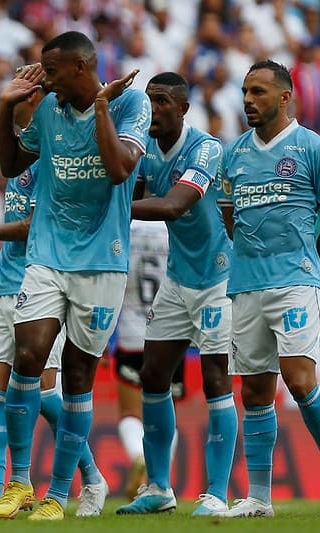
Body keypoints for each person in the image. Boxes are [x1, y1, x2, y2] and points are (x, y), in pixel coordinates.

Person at [0, 31, 150, 521]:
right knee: (29, 354)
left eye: (53, 71)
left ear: (81, 67)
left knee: (79, 376)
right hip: (48, 253)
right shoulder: (48, 110)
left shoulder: (131, 104)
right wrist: (4, 109)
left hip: (103, 261)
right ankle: (19, 482)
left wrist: (102, 104)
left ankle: (60, 494)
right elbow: (11, 163)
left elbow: (120, 169)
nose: (47, 81)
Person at [0, 84, 107, 519]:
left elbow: (37, 225)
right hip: (3, 287)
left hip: (42, 287)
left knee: (45, 395)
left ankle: (90, 476)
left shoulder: (57, 158)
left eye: (24, 98)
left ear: (45, 102)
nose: (17, 107)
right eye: (12, 100)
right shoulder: (17, 162)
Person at [217, 60, 320, 518]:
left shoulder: (314, 149)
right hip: (247, 284)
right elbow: (230, 217)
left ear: (284, 97)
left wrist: (308, 263)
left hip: (295, 282)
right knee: (255, 391)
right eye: (244, 91)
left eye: (257, 92)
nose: (248, 100)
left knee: (299, 380)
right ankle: (259, 497)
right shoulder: (233, 154)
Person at [116, 72, 237, 517]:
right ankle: (159, 487)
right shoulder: (144, 151)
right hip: (177, 279)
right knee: (152, 376)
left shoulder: (206, 148)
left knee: (215, 380)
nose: (154, 108)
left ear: (183, 108)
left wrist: (114, 208)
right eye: (149, 101)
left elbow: (173, 205)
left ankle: (217, 495)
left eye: (163, 100)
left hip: (218, 280)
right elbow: (128, 184)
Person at [109, 218, 184, 501]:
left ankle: (139, 456)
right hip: (169, 333)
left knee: (130, 414)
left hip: (131, 333)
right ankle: (158, 478)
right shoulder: (174, 224)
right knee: (167, 414)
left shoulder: (124, 226)